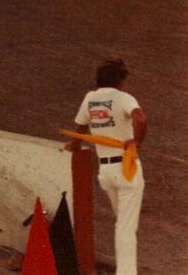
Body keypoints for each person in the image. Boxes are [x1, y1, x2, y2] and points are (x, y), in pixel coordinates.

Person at [65, 58, 147, 275]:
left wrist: (72, 145)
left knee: (122, 222)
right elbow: (140, 119)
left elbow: (80, 127)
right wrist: (137, 142)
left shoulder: (90, 99)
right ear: (121, 79)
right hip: (126, 168)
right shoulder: (123, 98)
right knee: (126, 227)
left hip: (106, 172)